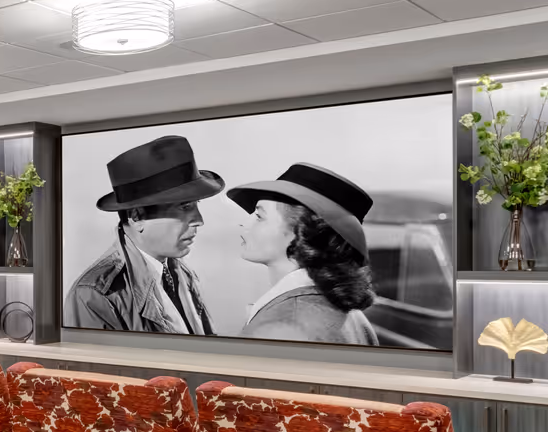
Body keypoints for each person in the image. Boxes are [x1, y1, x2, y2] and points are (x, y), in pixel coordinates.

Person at [66, 135, 223, 333]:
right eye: (185, 207)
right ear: (137, 216)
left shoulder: (181, 274)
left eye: (196, 205)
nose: (199, 220)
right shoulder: (95, 296)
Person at [229, 163, 380, 345]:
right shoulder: (354, 317)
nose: (244, 224)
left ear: (300, 233)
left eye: (259, 216)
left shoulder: (283, 326)